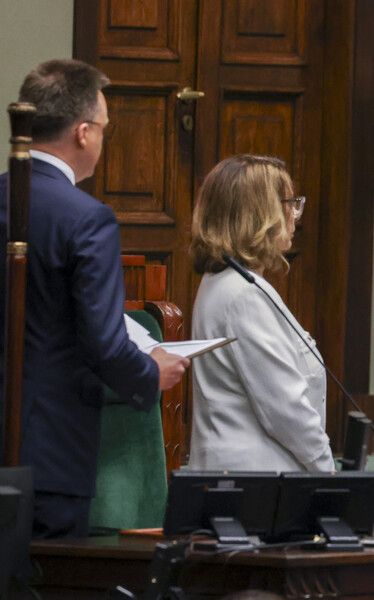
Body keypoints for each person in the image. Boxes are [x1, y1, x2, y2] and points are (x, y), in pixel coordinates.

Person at [0, 58, 189, 539]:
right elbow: (104, 343)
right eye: (105, 128)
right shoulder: (87, 219)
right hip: (49, 455)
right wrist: (151, 373)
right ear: (83, 133)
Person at [188, 154, 334, 472]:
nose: (295, 215)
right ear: (259, 214)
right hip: (257, 480)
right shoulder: (243, 295)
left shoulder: (225, 282)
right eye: (290, 204)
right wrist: (327, 469)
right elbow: (286, 408)